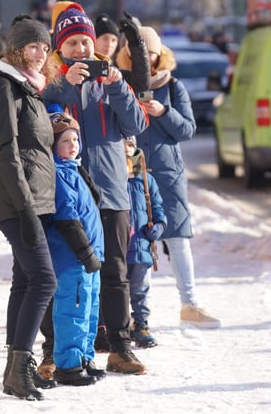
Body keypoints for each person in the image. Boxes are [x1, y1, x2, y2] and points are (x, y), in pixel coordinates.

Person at [41, 2, 149, 375]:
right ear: (60, 47)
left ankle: (120, 347)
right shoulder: (51, 81)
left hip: (112, 191)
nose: (82, 50)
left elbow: (138, 123)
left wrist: (118, 86)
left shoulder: (111, 79)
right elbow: (40, 119)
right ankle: (53, 351)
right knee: (61, 273)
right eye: (72, 44)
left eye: (85, 43)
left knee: (115, 272)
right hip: (68, 197)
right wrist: (64, 86)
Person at [0, 14, 58, 400]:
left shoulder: (26, 88)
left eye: (45, 47)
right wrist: (24, 207)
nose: (40, 54)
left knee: (25, 280)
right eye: (33, 46)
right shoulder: (2, 87)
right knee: (44, 280)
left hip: (31, 198)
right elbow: (5, 153)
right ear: (17, 48)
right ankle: (20, 365)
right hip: (17, 201)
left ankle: (14, 371)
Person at [117, 26, 221, 329]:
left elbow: (187, 130)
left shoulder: (173, 86)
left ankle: (189, 303)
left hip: (167, 172)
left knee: (178, 238)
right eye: (140, 54)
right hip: (134, 171)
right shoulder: (122, 84)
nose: (146, 59)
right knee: (141, 243)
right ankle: (140, 315)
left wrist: (163, 112)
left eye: (151, 53)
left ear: (160, 54)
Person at [46, 107, 105, 386]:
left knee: (90, 309)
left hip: (91, 256)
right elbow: (67, 218)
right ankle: (68, 365)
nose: (72, 146)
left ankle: (84, 356)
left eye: (75, 140)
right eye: (65, 141)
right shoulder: (59, 173)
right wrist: (85, 253)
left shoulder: (76, 170)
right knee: (73, 309)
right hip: (74, 258)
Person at [124, 136, 166, 348]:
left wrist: (158, 226)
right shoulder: (111, 178)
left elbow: (157, 208)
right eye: (122, 145)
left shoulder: (146, 181)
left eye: (130, 144)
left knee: (140, 288)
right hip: (119, 248)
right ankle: (118, 326)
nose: (126, 149)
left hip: (141, 247)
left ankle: (140, 324)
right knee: (117, 288)